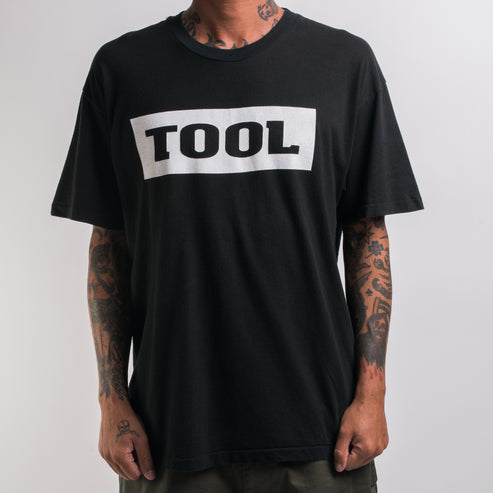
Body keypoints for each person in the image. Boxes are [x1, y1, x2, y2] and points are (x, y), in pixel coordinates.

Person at [50, 1, 424, 492]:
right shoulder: (123, 69)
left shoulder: (343, 62)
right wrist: (111, 401)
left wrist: (372, 394)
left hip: (322, 434)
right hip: (170, 433)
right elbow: (109, 247)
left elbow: (366, 237)